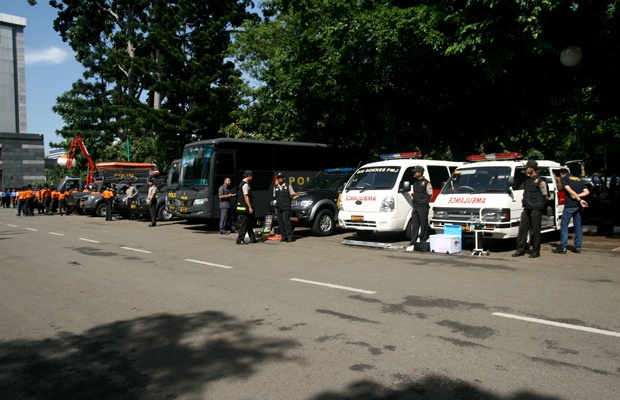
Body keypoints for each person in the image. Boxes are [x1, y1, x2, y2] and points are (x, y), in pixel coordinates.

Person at [513, 159, 548, 258]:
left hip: (536, 208)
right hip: (527, 208)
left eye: (527, 168)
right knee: (522, 228)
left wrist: (539, 204)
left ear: (532, 169)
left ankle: (536, 251)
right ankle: (520, 249)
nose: (525, 170)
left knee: (536, 230)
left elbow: (545, 196)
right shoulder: (527, 180)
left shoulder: (540, 181)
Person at [553, 168, 589, 254]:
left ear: (562, 174)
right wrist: (579, 197)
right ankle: (577, 247)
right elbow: (587, 192)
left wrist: (576, 197)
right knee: (578, 226)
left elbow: (569, 190)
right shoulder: (578, 179)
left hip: (570, 205)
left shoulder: (564, 178)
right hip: (579, 206)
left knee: (564, 225)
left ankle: (563, 247)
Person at [408, 165, 433, 246]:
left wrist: (424, 201)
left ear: (419, 173)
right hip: (415, 205)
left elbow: (430, 194)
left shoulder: (426, 182)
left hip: (423, 206)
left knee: (423, 223)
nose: (414, 173)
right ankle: (413, 240)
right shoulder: (415, 182)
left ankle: (423, 239)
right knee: (415, 223)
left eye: (415, 172)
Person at [235, 170, 257, 245]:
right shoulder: (245, 185)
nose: (252, 177)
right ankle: (240, 239)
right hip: (245, 208)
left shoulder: (242, 184)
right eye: (251, 176)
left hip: (242, 207)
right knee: (244, 224)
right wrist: (250, 207)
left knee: (249, 223)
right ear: (249, 176)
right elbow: (246, 196)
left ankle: (252, 238)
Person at [273, 172, 296, 242]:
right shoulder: (275, 187)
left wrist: (288, 201)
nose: (280, 179)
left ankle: (290, 237)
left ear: (283, 178)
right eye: (278, 177)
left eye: (281, 177)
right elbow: (274, 197)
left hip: (286, 207)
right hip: (278, 207)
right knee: (280, 223)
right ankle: (283, 237)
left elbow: (292, 195)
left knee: (286, 222)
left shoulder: (288, 186)